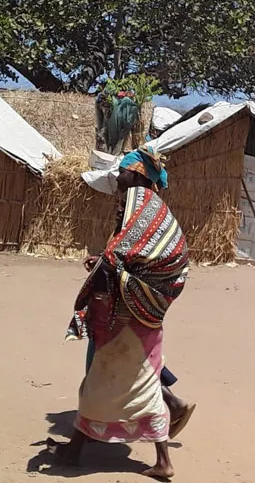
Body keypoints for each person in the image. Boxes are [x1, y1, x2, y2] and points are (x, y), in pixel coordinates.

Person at [48, 148, 189, 479]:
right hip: (142, 314)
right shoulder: (146, 209)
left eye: (123, 172)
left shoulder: (141, 204)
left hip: (127, 315)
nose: (117, 177)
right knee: (141, 385)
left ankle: (74, 451)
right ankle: (161, 459)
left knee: (98, 385)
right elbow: (132, 254)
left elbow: (122, 257)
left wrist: (103, 266)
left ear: (138, 175)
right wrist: (105, 262)